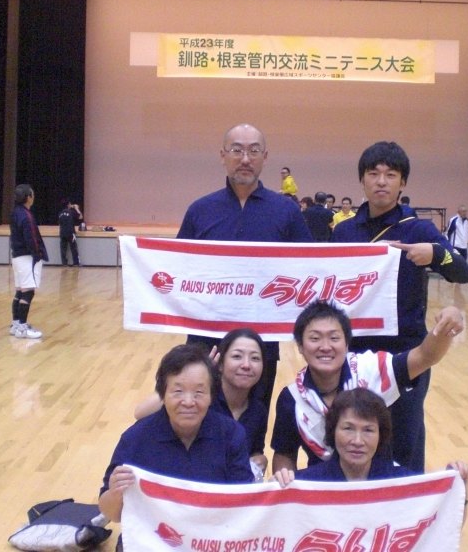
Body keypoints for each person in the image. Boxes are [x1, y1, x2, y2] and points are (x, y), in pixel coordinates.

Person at [330, 141, 468, 473]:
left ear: (402, 182)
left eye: (390, 174)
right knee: (349, 441)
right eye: (373, 173)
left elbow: (462, 272)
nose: (381, 181)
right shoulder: (343, 232)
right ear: (362, 180)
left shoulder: (418, 229)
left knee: (404, 442)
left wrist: (435, 253)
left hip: (406, 353)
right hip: (353, 352)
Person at [176, 123, 313, 409]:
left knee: (253, 425)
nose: (245, 159)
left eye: (254, 151)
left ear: (265, 156)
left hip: (262, 344)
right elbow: (178, 270)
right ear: (223, 155)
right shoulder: (200, 210)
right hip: (206, 341)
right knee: (201, 418)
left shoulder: (286, 211)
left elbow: (310, 269)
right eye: (237, 150)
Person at [270, 299, 463, 474]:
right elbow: (285, 454)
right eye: (314, 338)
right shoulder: (292, 398)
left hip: (380, 486)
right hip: (325, 490)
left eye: (334, 338)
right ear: (300, 346)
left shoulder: (372, 370)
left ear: (347, 344)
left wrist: (447, 326)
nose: (325, 346)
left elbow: (424, 356)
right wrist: (286, 486)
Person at [99, 344, 253, 527]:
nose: (188, 402)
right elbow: (111, 514)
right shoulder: (135, 439)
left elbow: (245, 505)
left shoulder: (232, 434)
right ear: (162, 395)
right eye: (178, 391)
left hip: (211, 535)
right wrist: (115, 493)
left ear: (212, 396)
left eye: (199, 392)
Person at [272, 388, 468, 525]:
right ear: (332, 431)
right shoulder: (303, 483)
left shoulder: (403, 483)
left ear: (380, 435)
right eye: (348, 428)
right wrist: (274, 493)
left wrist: (458, 489)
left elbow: (443, 529)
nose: (357, 441)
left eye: (368, 430)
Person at [133, 328, 269, 479]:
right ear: (220, 363)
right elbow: (140, 413)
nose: (246, 365)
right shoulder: (200, 400)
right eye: (237, 356)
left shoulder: (259, 411)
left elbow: (254, 451)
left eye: (255, 358)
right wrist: (197, 378)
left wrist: (261, 459)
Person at [9, 184, 48, 339]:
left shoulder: (15, 212)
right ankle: (22, 328)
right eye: (32, 194)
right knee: (28, 292)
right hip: (26, 257)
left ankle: (16, 324)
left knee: (20, 290)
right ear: (28, 197)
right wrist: (37, 254)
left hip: (17, 256)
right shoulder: (26, 216)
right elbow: (31, 237)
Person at [58, 199, 83, 267]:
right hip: (70, 232)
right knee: (73, 248)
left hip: (62, 233)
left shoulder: (60, 213)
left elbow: (60, 223)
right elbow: (80, 217)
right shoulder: (71, 212)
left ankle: (64, 263)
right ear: (68, 205)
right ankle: (76, 263)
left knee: (63, 249)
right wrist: (76, 208)